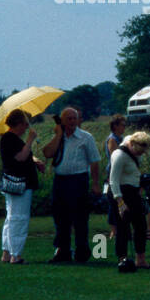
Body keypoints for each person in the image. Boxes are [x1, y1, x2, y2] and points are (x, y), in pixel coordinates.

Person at [40, 106, 101, 263]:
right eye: (69, 119)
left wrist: (95, 184)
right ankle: (63, 251)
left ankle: (82, 251)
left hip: (78, 180)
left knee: (80, 218)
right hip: (60, 181)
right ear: (62, 121)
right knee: (60, 218)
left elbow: (94, 161)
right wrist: (58, 135)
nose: (73, 121)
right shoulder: (59, 138)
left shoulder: (86, 138)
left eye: (75, 118)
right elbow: (47, 153)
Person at [0, 109, 45, 264]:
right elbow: (20, 157)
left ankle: (6, 252)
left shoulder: (12, 139)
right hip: (19, 185)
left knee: (11, 217)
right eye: (25, 124)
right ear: (18, 123)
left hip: (15, 183)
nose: (26, 127)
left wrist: (35, 160)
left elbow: (26, 155)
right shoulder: (9, 139)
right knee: (19, 218)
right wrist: (30, 140)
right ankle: (15, 254)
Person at [109, 130, 150, 271]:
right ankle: (122, 258)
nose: (140, 155)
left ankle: (140, 259)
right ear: (132, 145)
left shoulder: (132, 140)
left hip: (134, 192)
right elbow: (113, 180)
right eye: (139, 152)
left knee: (140, 225)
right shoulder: (119, 155)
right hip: (120, 192)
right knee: (122, 227)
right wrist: (120, 203)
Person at [103, 115, 127, 239]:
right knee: (113, 202)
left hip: (121, 173)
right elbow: (115, 156)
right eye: (122, 124)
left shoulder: (121, 138)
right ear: (115, 126)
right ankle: (114, 230)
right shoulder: (112, 139)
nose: (124, 127)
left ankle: (121, 228)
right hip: (113, 173)